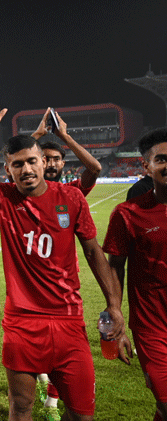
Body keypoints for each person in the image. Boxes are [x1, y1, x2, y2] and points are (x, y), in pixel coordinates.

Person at [0, 106, 127, 421]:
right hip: (21, 323)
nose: (26, 169)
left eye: (32, 161)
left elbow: (93, 253)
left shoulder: (71, 198)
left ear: (43, 162)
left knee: (82, 413)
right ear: (8, 170)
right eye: (17, 164)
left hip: (68, 320)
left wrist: (114, 305)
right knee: (20, 408)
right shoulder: (3, 198)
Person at [31, 108, 103, 419]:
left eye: (56, 159)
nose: (50, 163)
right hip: (27, 283)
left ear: (63, 163)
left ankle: (51, 404)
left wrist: (64, 136)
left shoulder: (72, 192)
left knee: (62, 351)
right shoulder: (22, 189)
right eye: (44, 158)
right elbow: (15, 158)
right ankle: (39, 380)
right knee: (35, 350)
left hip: (61, 284)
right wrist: (36, 135)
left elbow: (94, 168)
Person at [102, 128, 167, 421]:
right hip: (153, 328)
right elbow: (115, 266)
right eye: (161, 159)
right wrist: (114, 319)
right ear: (146, 166)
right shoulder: (127, 214)